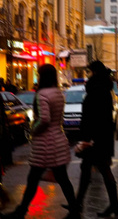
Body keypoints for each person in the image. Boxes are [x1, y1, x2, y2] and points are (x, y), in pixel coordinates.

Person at [0, 64, 79, 219]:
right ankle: (75, 210)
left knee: (34, 178)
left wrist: (33, 129)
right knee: (61, 178)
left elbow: (44, 119)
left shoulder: (42, 94)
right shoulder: (58, 93)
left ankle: (21, 211)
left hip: (45, 143)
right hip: (58, 139)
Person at [74, 61, 118, 217]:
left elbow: (93, 117)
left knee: (92, 169)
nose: (88, 75)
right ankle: (113, 206)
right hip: (102, 137)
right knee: (94, 169)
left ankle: (78, 205)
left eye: (90, 72)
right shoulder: (104, 89)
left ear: (94, 72)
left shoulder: (97, 89)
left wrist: (87, 138)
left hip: (95, 139)